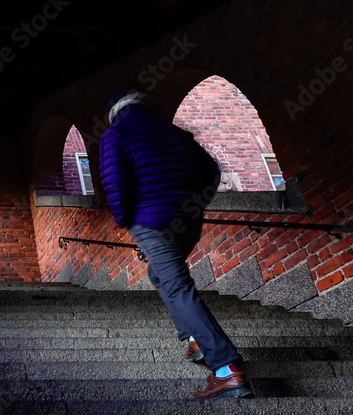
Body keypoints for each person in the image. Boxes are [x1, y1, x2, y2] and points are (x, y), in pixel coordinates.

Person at [98, 85, 254, 400]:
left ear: (114, 110)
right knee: (161, 276)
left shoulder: (114, 135)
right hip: (187, 220)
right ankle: (195, 338)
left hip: (151, 221)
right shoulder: (174, 132)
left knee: (178, 286)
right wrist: (198, 202)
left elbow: (115, 183)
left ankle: (225, 370)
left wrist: (123, 219)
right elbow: (212, 170)